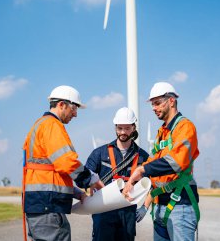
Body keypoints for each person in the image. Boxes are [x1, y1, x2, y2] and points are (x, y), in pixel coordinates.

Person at [22, 85, 104, 241]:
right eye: (74, 108)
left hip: (40, 204)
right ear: (61, 105)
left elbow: (50, 173)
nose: (75, 114)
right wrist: (91, 179)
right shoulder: (52, 126)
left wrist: (76, 192)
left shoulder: (41, 125)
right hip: (48, 206)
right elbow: (66, 162)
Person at [123, 82, 200, 241]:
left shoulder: (185, 127)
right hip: (159, 207)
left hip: (180, 207)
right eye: (152, 104)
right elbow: (154, 166)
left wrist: (142, 170)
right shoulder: (162, 133)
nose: (154, 108)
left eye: (157, 103)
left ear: (171, 101)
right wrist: (136, 184)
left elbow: (177, 162)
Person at [85, 107, 149, 241]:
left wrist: (145, 207)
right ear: (115, 128)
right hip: (103, 211)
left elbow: (154, 182)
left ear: (133, 128)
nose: (123, 132)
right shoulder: (100, 153)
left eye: (127, 128)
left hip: (128, 213)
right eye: (120, 128)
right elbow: (86, 173)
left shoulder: (143, 156)